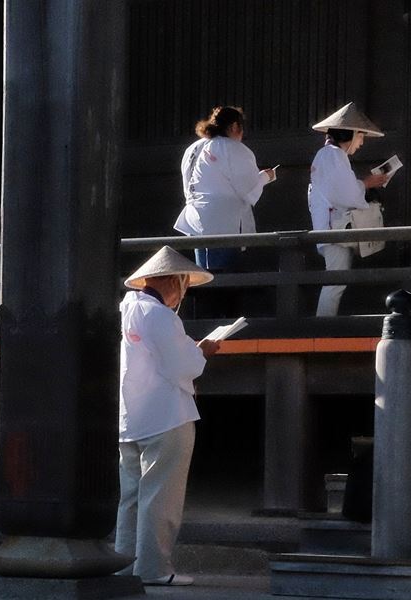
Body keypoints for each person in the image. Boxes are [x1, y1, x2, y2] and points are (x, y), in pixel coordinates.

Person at [114, 246, 221, 586]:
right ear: (174, 282)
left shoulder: (128, 307)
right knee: (162, 497)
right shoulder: (160, 315)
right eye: (183, 285)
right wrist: (201, 351)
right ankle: (154, 569)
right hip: (166, 416)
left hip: (133, 414)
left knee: (132, 498)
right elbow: (181, 365)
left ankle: (124, 564)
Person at [308, 102, 388, 317]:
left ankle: (323, 327)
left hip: (329, 225)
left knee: (336, 281)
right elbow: (346, 194)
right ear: (350, 134)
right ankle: (322, 328)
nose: (360, 143)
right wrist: (367, 184)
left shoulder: (328, 155)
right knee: (335, 282)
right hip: (335, 227)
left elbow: (341, 189)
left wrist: (363, 185)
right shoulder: (334, 155)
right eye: (360, 137)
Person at [174, 107, 277, 271]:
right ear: (235, 126)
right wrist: (266, 176)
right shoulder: (232, 147)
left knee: (204, 277)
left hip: (195, 218)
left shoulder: (193, 148)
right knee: (225, 279)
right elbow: (248, 188)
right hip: (223, 221)